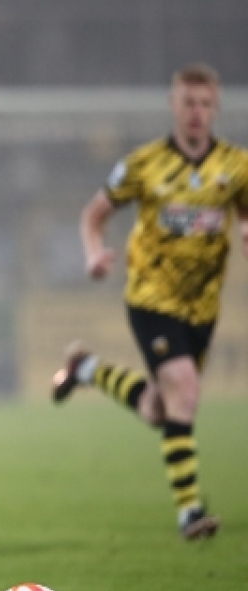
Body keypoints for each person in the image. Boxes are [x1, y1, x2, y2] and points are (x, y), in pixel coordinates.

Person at [52, 63, 248, 541]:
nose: (196, 112)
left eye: (205, 104)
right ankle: (190, 512)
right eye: (188, 103)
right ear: (173, 106)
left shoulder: (236, 165)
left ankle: (86, 369)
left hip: (202, 305)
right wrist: (94, 252)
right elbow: (94, 214)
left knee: (161, 408)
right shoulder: (144, 164)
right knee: (185, 389)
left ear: (215, 108)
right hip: (151, 297)